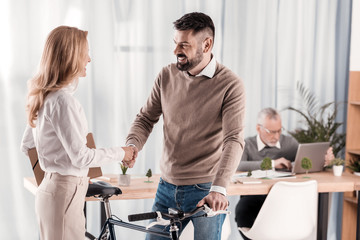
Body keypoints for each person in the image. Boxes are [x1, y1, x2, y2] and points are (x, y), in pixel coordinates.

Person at [125, 12, 245, 240]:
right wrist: (133, 145)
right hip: (166, 186)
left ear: (207, 44)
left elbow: (234, 139)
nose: (176, 51)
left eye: (184, 45)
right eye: (175, 43)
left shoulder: (230, 85)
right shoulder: (166, 76)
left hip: (205, 189)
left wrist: (219, 188)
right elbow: (145, 118)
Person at [20, 26, 135, 240]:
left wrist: (71, 176)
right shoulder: (63, 101)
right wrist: (121, 152)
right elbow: (81, 156)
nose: (89, 59)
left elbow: (27, 145)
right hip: (64, 196)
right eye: (85, 53)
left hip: (51, 193)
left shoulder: (44, 97)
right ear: (70, 56)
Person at [235, 107, 334, 240]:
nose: (276, 136)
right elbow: (239, 165)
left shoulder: (289, 143)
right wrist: (272, 163)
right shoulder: (247, 144)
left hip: (285, 201)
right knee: (243, 210)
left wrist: (324, 161)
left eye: (279, 131)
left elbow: (305, 160)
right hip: (254, 199)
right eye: (272, 132)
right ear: (259, 129)